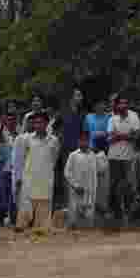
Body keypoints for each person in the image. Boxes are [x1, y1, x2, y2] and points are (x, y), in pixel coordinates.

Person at [14, 110, 60, 230]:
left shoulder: (54, 141)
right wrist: (19, 177)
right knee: (26, 205)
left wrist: (46, 170)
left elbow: (54, 159)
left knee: (43, 209)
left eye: (41, 122)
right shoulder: (27, 139)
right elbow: (21, 159)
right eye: (36, 123)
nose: (38, 125)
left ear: (46, 123)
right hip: (29, 177)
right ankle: (21, 227)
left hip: (45, 178)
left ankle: (42, 229)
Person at [105, 95, 140, 225]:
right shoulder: (112, 118)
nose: (123, 106)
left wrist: (119, 135)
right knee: (114, 185)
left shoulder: (134, 116)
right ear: (117, 105)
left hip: (128, 157)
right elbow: (110, 138)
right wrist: (128, 135)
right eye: (120, 104)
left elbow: (137, 136)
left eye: (125, 103)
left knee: (128, 185)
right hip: (114, 156)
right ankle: (115, 213)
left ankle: (128, 212)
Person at [55, 88, 86, 219]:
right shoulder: (62, 113)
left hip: (79, 150)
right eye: (78, 95)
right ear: (71, 98)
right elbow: (53, 128)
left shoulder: (82, 114)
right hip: (66, 149)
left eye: (81, 95)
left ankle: (79, 205)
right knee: (66, 176)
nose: (81, 97)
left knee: (79, 176)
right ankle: (67, 204)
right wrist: (60, 139)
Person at [64, 131, 104, 229]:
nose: (83, 142)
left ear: (89, 141)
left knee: (89, 218)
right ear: (78, 141)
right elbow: (67, 173)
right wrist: (75, 185)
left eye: (85, 140)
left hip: (90, 190)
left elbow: (101, 169)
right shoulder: (73, 155)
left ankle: (87, 239)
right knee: (74, 216)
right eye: (81, 140)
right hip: (76, 190)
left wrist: (100, 154)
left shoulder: (94, 155)